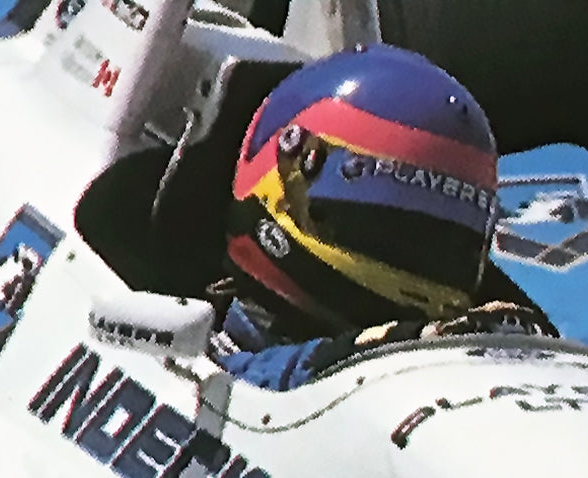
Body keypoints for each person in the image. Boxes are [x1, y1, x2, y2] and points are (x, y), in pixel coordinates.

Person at [208, 43, 555, 390]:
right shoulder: (204, 361)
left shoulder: (493, 336)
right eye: (396, 232)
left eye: (445, 245)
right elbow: (244, 377)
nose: (421, 263)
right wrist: (391, 345)